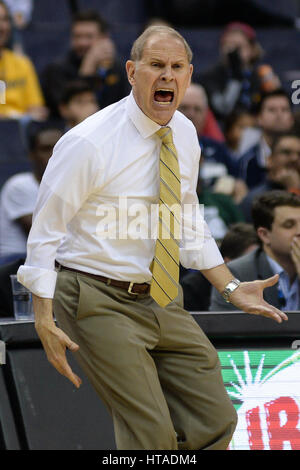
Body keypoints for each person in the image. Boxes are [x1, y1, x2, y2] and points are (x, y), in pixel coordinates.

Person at [17, 25, 287, 451]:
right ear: (131, 71)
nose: (167, 76)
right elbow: (44, 233)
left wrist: (231, 287)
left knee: (215, 420)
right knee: (152, 439)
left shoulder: (184, 133)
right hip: (94, 294)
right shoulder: (89, 141)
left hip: (161, 296)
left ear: (190, 74)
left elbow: (187, 219)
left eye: (177, 67)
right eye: (156, 65)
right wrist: (43, 318)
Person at [210, 190, 300, 311]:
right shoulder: (235, 274)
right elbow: (223, 326)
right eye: (289, 225)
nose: (299, 231)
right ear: (264, 235)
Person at [42, 9, 129, 118]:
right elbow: (66, 112)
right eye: (77, 36)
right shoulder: (56, 70)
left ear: (104, 38)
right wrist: (87, 68)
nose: (82, 42)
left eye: (89, 36)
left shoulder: (118, 68)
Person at [0, 125, 63, 262]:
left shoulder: (71, 185)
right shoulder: (19, 185)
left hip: (50, 258)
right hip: (16, 259)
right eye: (46, 149)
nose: (53, 154)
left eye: (58, 147)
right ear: (32, 155)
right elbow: (41, 234)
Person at [199, 22, 280, 123]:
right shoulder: (211, 76)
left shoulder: (260, 75)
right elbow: (223, 110)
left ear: (252, 50)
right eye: (228, 46)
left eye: (239, 47)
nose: (233, 52)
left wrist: (275, 91)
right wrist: (236, 76)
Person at [181, 222, 258, 311]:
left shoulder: (265, 278)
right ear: (228, 261)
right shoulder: (192, 288)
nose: (254, 265)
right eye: (248, 260)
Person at [238, 89, 295, 189]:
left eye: (284, 110)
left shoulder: (297, 157)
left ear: (291, 118)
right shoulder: (247, 161)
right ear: (259, 118)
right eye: (272, 110)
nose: (279, 115)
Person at [0, 0, 47, 120]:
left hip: (20, 132)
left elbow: (37, 108)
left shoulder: (22, 63)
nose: (1, 26)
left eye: (5, 20)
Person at [240, 132, 300, 222]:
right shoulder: (256, 199)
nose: (294, 158)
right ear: (269, 160)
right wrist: (294, 190)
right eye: (286, 152)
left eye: (299, 154)